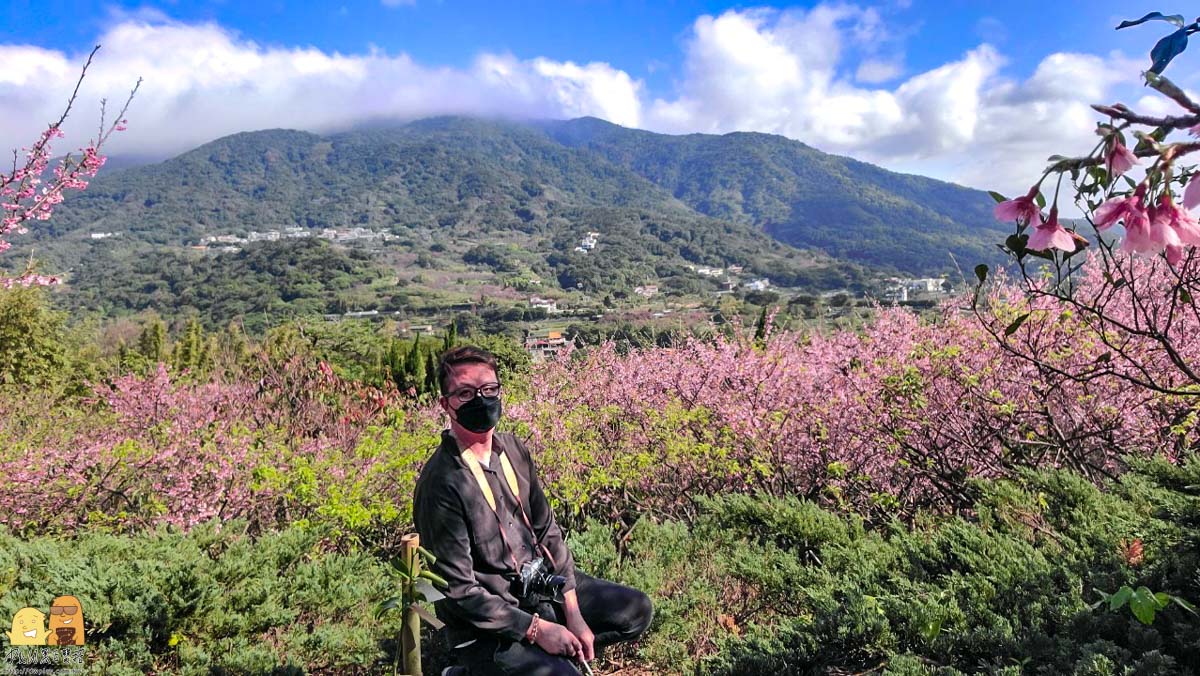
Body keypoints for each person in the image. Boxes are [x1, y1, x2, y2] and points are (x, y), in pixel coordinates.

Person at [414, 345, 653, 676]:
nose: (479, 400)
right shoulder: (442, 481)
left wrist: (573, 613)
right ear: (446, 404)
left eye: (488, 389)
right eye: (465, 394)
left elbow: (547, 532)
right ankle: (469, 670)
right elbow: (460, 590)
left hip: (539, 590)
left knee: (636, 611)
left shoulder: (513, 449)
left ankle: (553, 657)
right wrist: (537, 631)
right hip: (486, 620)